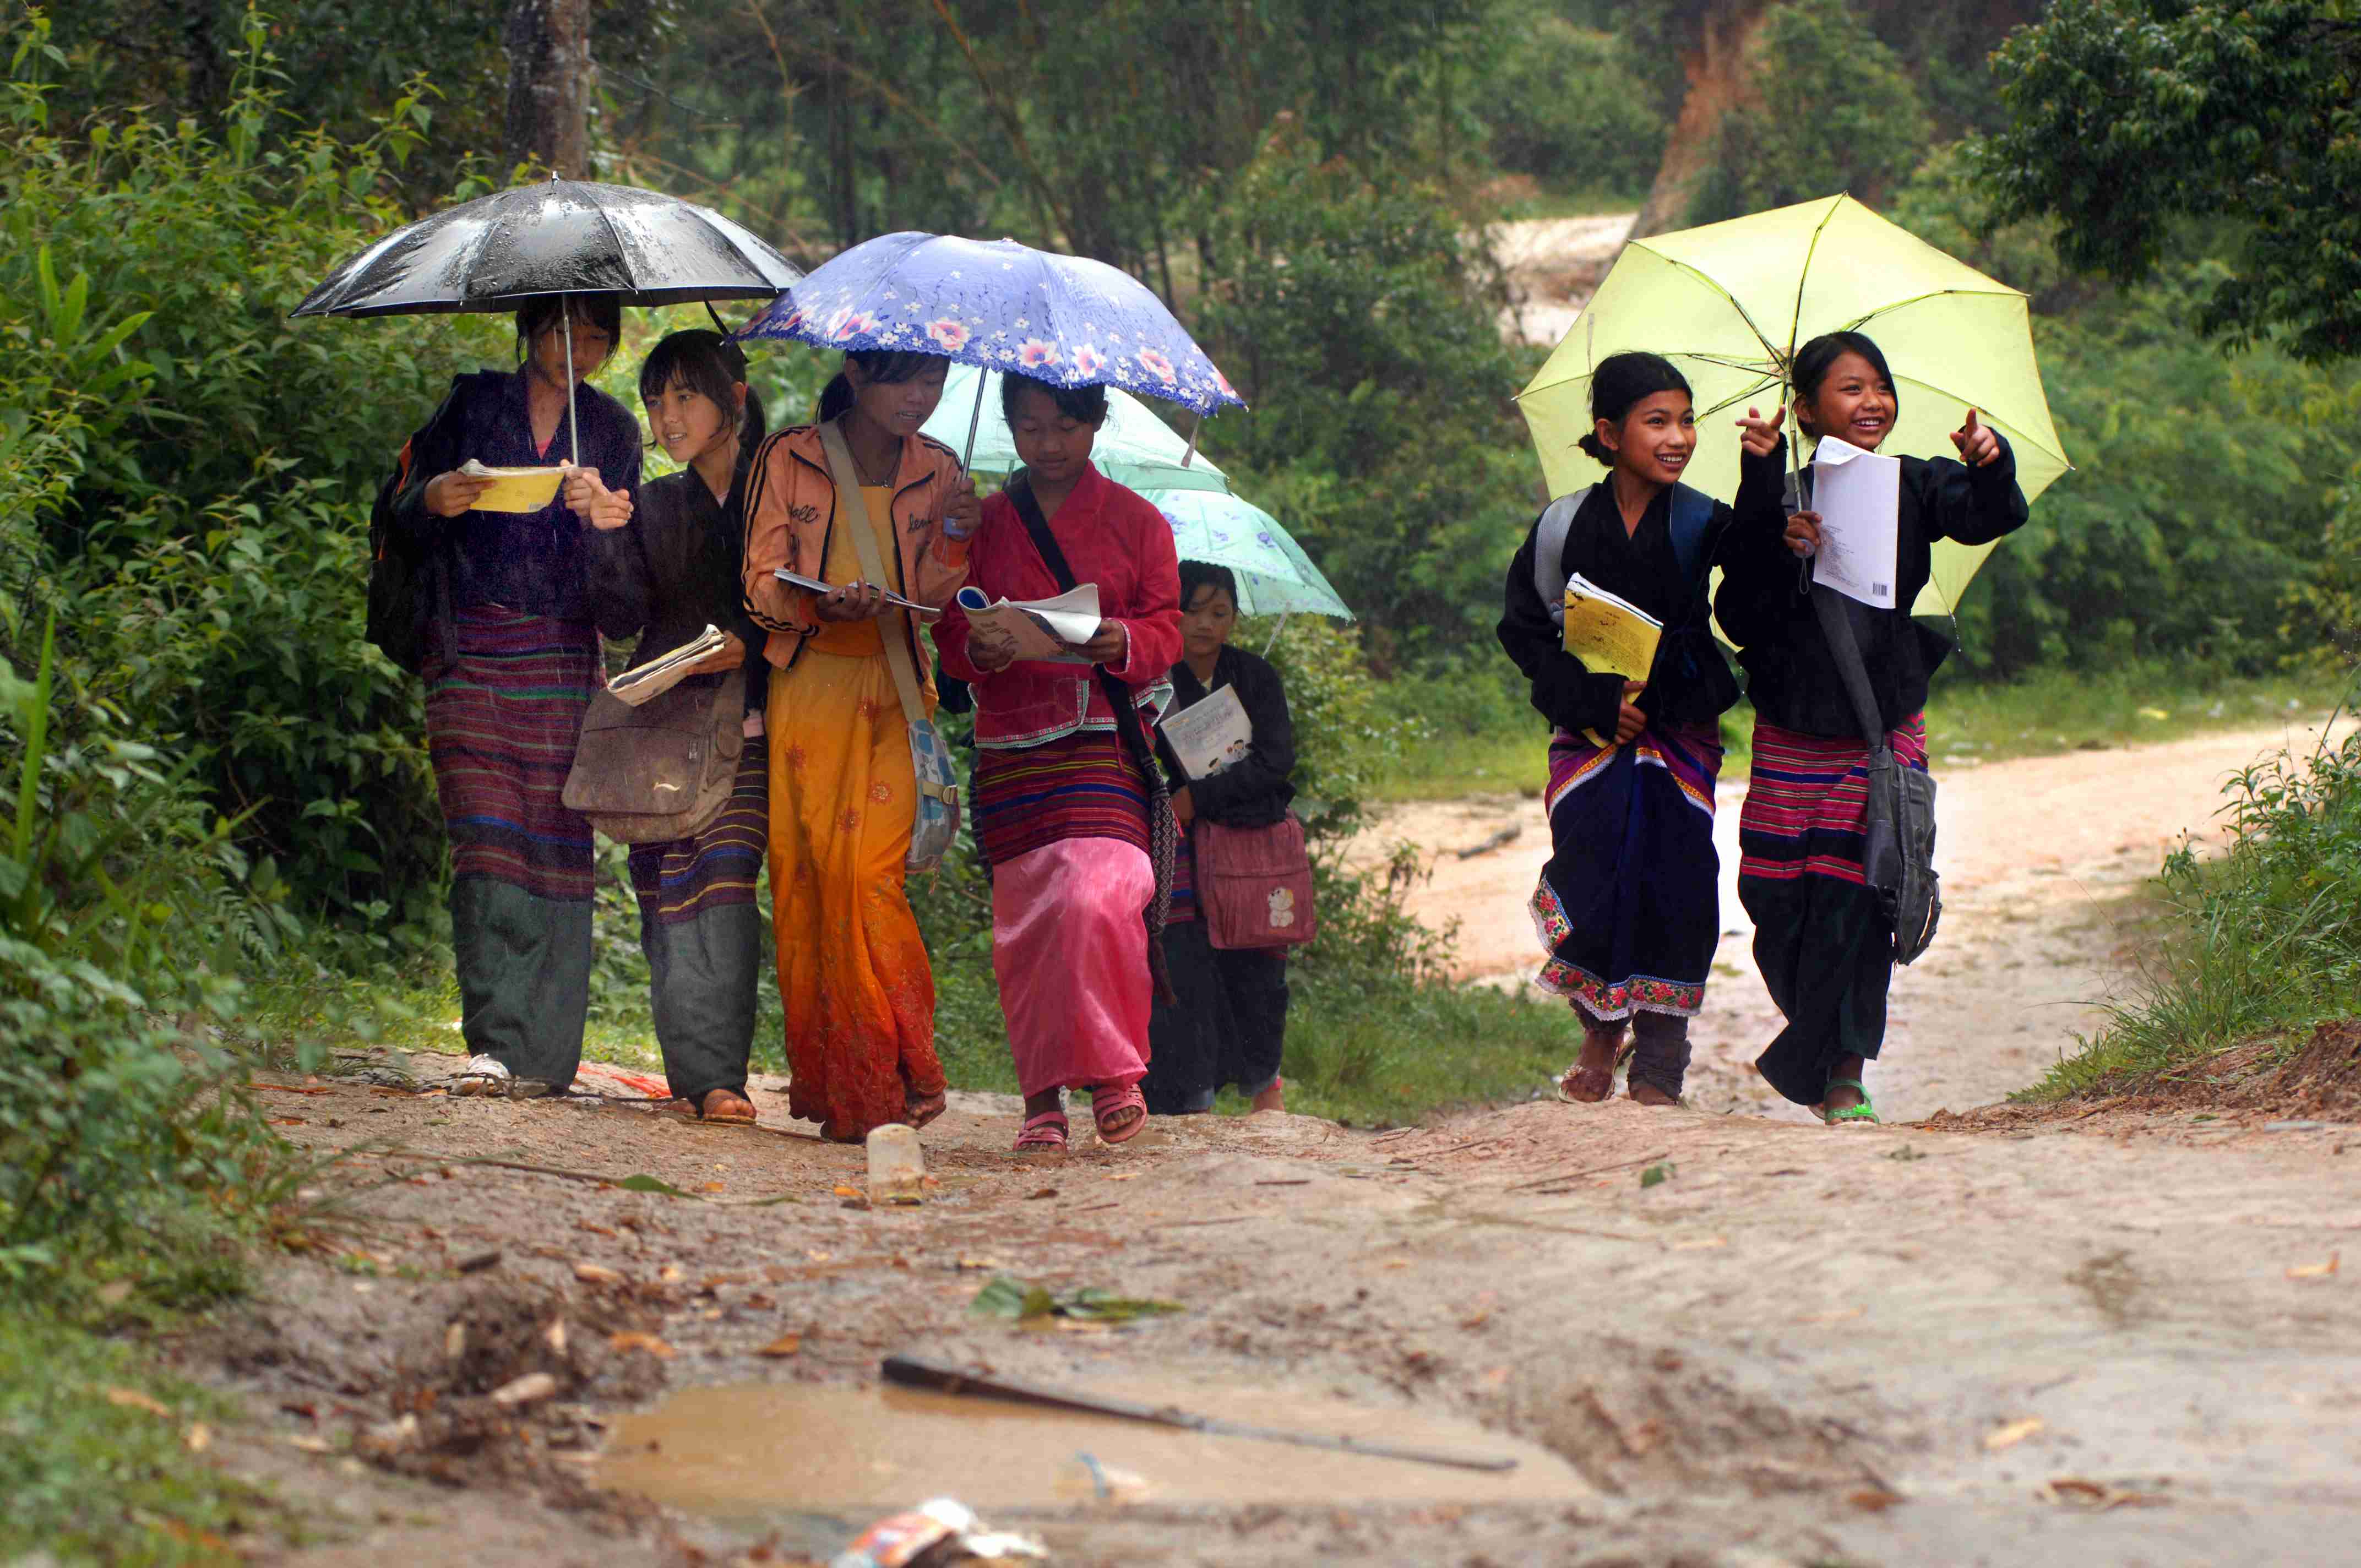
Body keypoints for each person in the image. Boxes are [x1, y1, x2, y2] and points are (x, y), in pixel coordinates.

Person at [1721, 330, 2028, 1124]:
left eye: (1880, 388)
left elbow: (1987, 514)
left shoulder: (1917, 484)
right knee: (1777, 897)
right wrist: (1770, 520)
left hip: (1879, 727)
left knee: (1863, 898)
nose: (1872, 403)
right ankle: (1816, 1039)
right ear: (1804, 411)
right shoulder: (1775, 493)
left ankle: (1845, 1074)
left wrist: (1989, 460)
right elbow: (1739, 614)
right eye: (1851, 390)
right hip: (1793, 728)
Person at [393, 294, 641, 1098]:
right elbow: (396, 507)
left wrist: (602, 519)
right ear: (530, 329)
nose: (581, 349)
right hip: (469, 646)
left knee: (555, 844)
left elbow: (629, 568)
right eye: (565, 331)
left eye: (599, 337)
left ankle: (548, 1054)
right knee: (486, 837)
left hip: (564, 654)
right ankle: (494, 1040)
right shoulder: (471, 403)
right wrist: (434, 499)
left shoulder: (610, 428)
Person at [933, 373, 1182, 1154]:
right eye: (1031, 427)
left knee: (1103, 888)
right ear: (1008, 424)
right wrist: (978, 644)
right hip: (1012, 744)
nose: (1048, 444)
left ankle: (1113, 1073)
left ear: (1097, 423)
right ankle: (1041, 1097)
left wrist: (1127, 642)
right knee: (1030, 920)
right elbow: (949, 629)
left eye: (1065, 427)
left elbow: (1166, 623)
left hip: (1105, 738)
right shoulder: (984, 522)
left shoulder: (1141, 522)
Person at [739, 350, 978, 1142]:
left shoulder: (942, 471)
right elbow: (759, 581)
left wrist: (956, 541)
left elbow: (945, 600)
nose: (920, 398)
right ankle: (847, 1089)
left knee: (868, 878)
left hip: (899, 690)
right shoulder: (791, 454)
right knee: (810, 882)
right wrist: (822, 607)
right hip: (810, 687)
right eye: (903, 380)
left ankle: (905, 1069)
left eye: (934, 383)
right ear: (855, 374)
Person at [1497, 351, 1741, 1107]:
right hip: (1592, 741)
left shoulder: (1706, 520)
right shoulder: (1562, 523)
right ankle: (1601, 1026)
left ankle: (1662, 1056)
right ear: (1608, 431)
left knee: (1678, 880)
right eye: (1658, 421)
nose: (1680, 438)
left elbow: (1754, 602)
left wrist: (1775, 510)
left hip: (1678, 737)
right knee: (1591, 872)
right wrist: (1593, 702)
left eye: (1688, 421)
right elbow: (1525, 628)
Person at [564, 329, 770, 1125]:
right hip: (664, 729)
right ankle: (696, 1072)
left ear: (736, 399)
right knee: (665, 889)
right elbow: (621, 619)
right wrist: (606, 534)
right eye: (655, 398)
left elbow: (796, 599)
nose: (667, 415)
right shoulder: (653, 502)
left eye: (687, 395)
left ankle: (722, 1078)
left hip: (754, 726)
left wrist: (749, 646)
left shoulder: (781, 491)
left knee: (723, 879)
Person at [1141, 563, 1297, 1117]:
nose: (1204, 623)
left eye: (1219, 611)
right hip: (1181, 848)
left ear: (1233, 619)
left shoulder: (1256, 677)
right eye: (1192, 609)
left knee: (1259, 960)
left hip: (1252, 843)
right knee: (1185, 962)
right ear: (1170, 611)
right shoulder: (1154, 684)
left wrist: (1201, 797)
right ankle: (1191, 1090)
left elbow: (1276, 761)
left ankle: (1265, 1086)